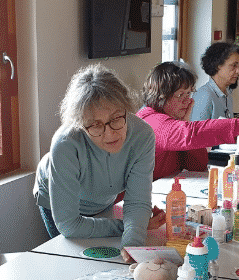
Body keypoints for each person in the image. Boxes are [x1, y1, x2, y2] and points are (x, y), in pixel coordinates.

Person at [33, 64, 165, 263]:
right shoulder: (65, 144)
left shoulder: (143, 135)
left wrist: (132, 242)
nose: (110, 133)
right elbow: (69, 225)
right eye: (95, 125)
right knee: (72, 259)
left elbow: (137, 202)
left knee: (112, 257)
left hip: (101, 198)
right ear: (81, 123)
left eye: (116, 119)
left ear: (126, 109)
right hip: (60, 201)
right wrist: (127, 226)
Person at [137, 62, 239, 180]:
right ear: (161, 96)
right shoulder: (151, 121)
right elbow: (190, 134)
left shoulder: (172, 122)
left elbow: (196, 165)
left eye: (189, 94)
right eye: (180, 95)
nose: (187, 101)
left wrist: (186, 122)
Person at [191, 42, 239, 120]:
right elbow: (196, 131)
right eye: (234, 65)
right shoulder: (204, 96)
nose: (238, 71)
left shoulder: (228, 94)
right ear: (217, 65)